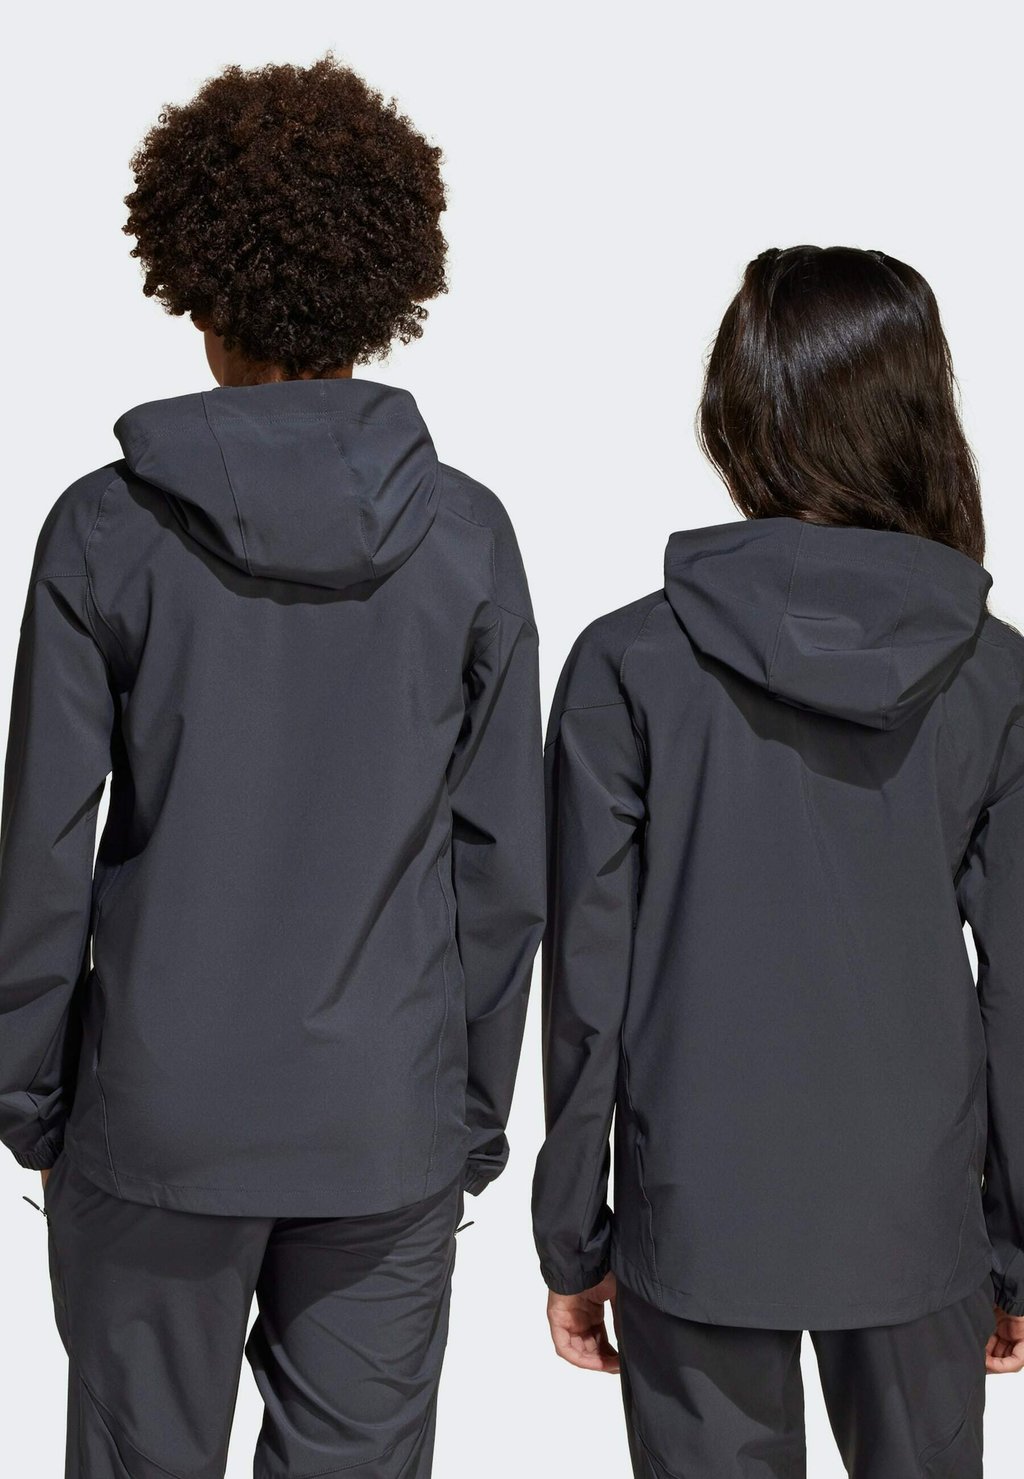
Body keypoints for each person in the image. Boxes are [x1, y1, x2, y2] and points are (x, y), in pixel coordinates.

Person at [0, 56, 544, 1478]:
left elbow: (44, 848)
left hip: (157, 1117)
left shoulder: (103, 533)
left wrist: (28, 1093)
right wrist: (466, 1116)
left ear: (197, 285)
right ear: (381, 289)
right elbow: (503, 870)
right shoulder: (468, 539)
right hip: (381, 1121)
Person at [533, 245, 1024, 1477]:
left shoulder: (628, 664)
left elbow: (587, 978)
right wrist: (1015, 1247)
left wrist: (572, 1233)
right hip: (916, 1224)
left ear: (738, 409)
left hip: (698, 1219)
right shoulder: (993, 673)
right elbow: (1019, 990)